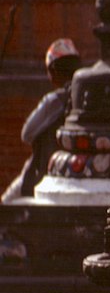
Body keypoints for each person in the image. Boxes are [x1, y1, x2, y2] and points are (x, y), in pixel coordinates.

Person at [2, 38, 82, 202]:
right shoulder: (85, 97)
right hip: (77, 171)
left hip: (44, 170)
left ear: (53, 72)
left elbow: (27, 134)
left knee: (6, 204)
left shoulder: (54, 100)